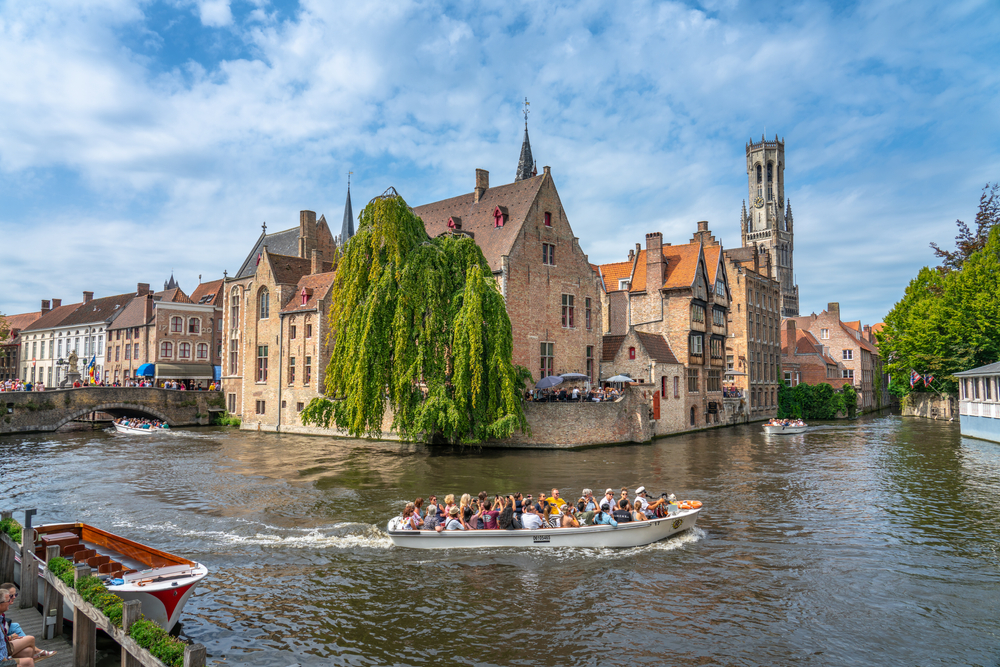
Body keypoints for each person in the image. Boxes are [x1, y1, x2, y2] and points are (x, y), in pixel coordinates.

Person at [0, 587, 36, 666]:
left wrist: (10, 638)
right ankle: (37, 653)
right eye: (8, 600)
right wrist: (6, 660)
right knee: (29, 661)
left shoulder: (1, 618)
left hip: (4, 651)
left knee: (29, 651)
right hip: (2, 659)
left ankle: (35, 653)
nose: (10, 602)